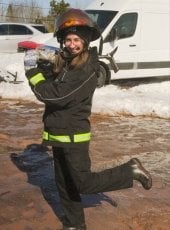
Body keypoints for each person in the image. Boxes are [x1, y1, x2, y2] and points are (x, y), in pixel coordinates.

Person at [24, 8, 152, 230]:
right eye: (67, 40)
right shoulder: (68, 62)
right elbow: (56, 84)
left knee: (83, 182)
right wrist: (45, 68)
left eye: (76, 40)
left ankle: (129, 170)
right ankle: (75, 225)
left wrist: (32, 74)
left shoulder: (87, 68)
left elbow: (57, 95)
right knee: (64, 184)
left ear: (85, 42)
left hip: (73, 135)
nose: (71, 44)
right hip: (57, 133)